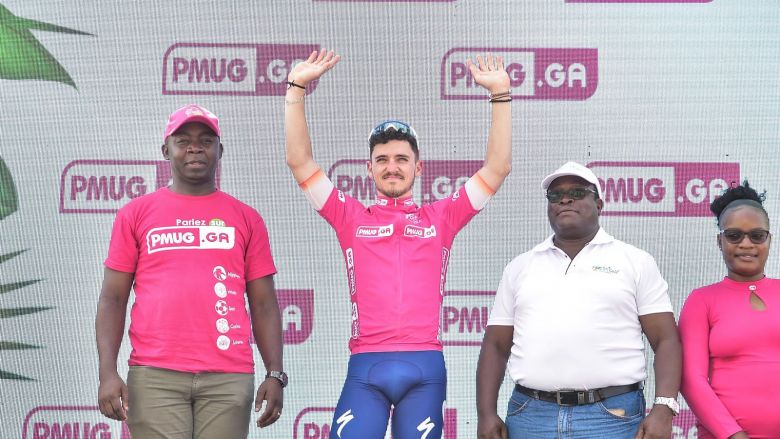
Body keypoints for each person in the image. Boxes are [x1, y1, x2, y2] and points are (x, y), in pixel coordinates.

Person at [284, 49, 511, 439]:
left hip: (424, 368)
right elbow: (299, 162)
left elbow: (497, 168)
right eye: (383, 159)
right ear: (369, 167)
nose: (392, 167)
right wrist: (296, 88)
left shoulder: (441, 217)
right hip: (366, 366)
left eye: (402, 159)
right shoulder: (350, 216)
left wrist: (500, 95)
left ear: (418, 167)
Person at [95, 104, 285, 438]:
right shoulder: (135, 214)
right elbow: (112, 299)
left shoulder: (247, 218)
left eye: (206, 141)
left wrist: (275, 373)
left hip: (228, 376)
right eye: (183, 140)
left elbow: (264, 304)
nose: (195, 148)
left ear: (220, 150)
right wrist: (107, 373)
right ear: (165, 150)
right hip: (154, 376)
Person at [477, 161, 682, 439]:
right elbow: (495, 345)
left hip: (611, 417)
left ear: (599, 204)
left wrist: (664, 409)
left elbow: (666, 340)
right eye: (555, 195)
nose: (565, 199)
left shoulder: (635, 261)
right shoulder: (519, 267)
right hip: (531, 416)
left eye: (577, 192)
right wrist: (486, 413)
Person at [679, 181, 780, 439]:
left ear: (769, 239)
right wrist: (733, 434)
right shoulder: (701, 300)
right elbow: (691, 379)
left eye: (757, 235)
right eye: (734, 235)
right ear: (719, 240)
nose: (746, 244)